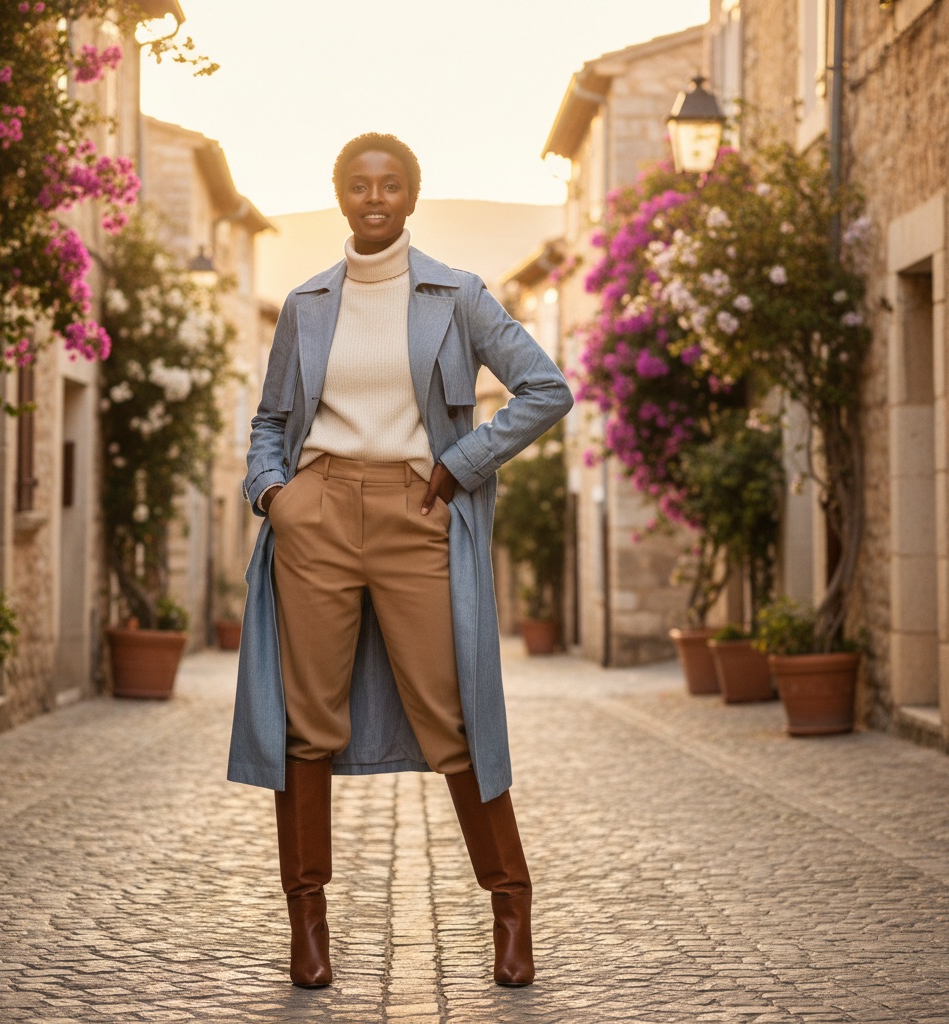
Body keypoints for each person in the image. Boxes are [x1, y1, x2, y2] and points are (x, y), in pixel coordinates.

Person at [228, 132, 573, 989]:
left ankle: (511, 904)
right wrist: (277, 496)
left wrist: (463, 465)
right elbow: (271, 420)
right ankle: (307, 924)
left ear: (411, 198)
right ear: (340, 196)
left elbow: (546, 387)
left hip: (420, 512)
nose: (374, 197)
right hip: (317, 517)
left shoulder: (456, 296)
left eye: (389, 185)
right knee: (307, 723)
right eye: (358, 185)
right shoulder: (308, 304)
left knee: (453, 714)